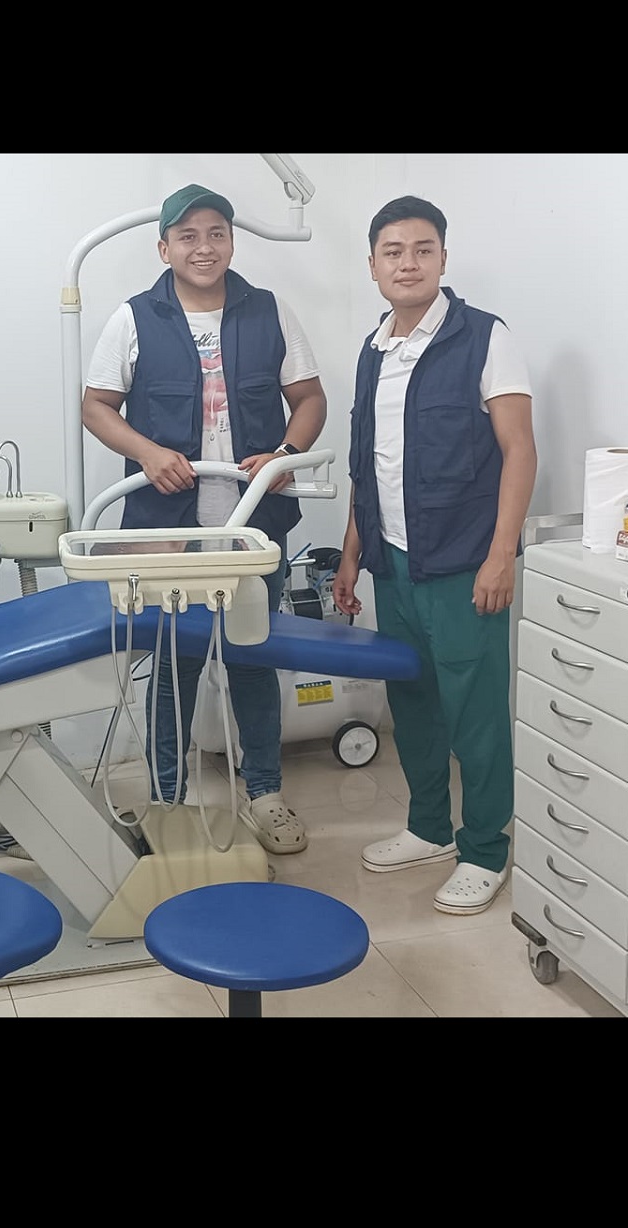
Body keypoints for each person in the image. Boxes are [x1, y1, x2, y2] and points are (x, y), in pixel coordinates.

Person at [81, 184, 328, 855]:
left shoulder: (269, 311)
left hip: (252, 528)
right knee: (174, 664)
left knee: (253, 657)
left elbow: (309, 399)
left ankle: (265, 793)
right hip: (166, 532)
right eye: (187, 236)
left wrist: (285, 455)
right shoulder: (134, 318)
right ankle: (168, 797)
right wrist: (147, 451)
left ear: (231, 242)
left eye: (216, 233)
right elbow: (96, 405)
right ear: (163, 248)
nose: (203, 247)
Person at [331, 196, 538, 915]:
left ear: (443, 259)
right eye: (393, 252)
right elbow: (367, 465)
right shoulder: (374, 349)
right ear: (373, 265)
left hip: (463, 563)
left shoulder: (484, 338)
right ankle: (428, 828)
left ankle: (485, 848)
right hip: (392, 562)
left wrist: (502, 555)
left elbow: (519, 450)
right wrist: (352, 554)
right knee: (413, 700)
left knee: (474, 713)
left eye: (423, 250)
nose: (408, 263)